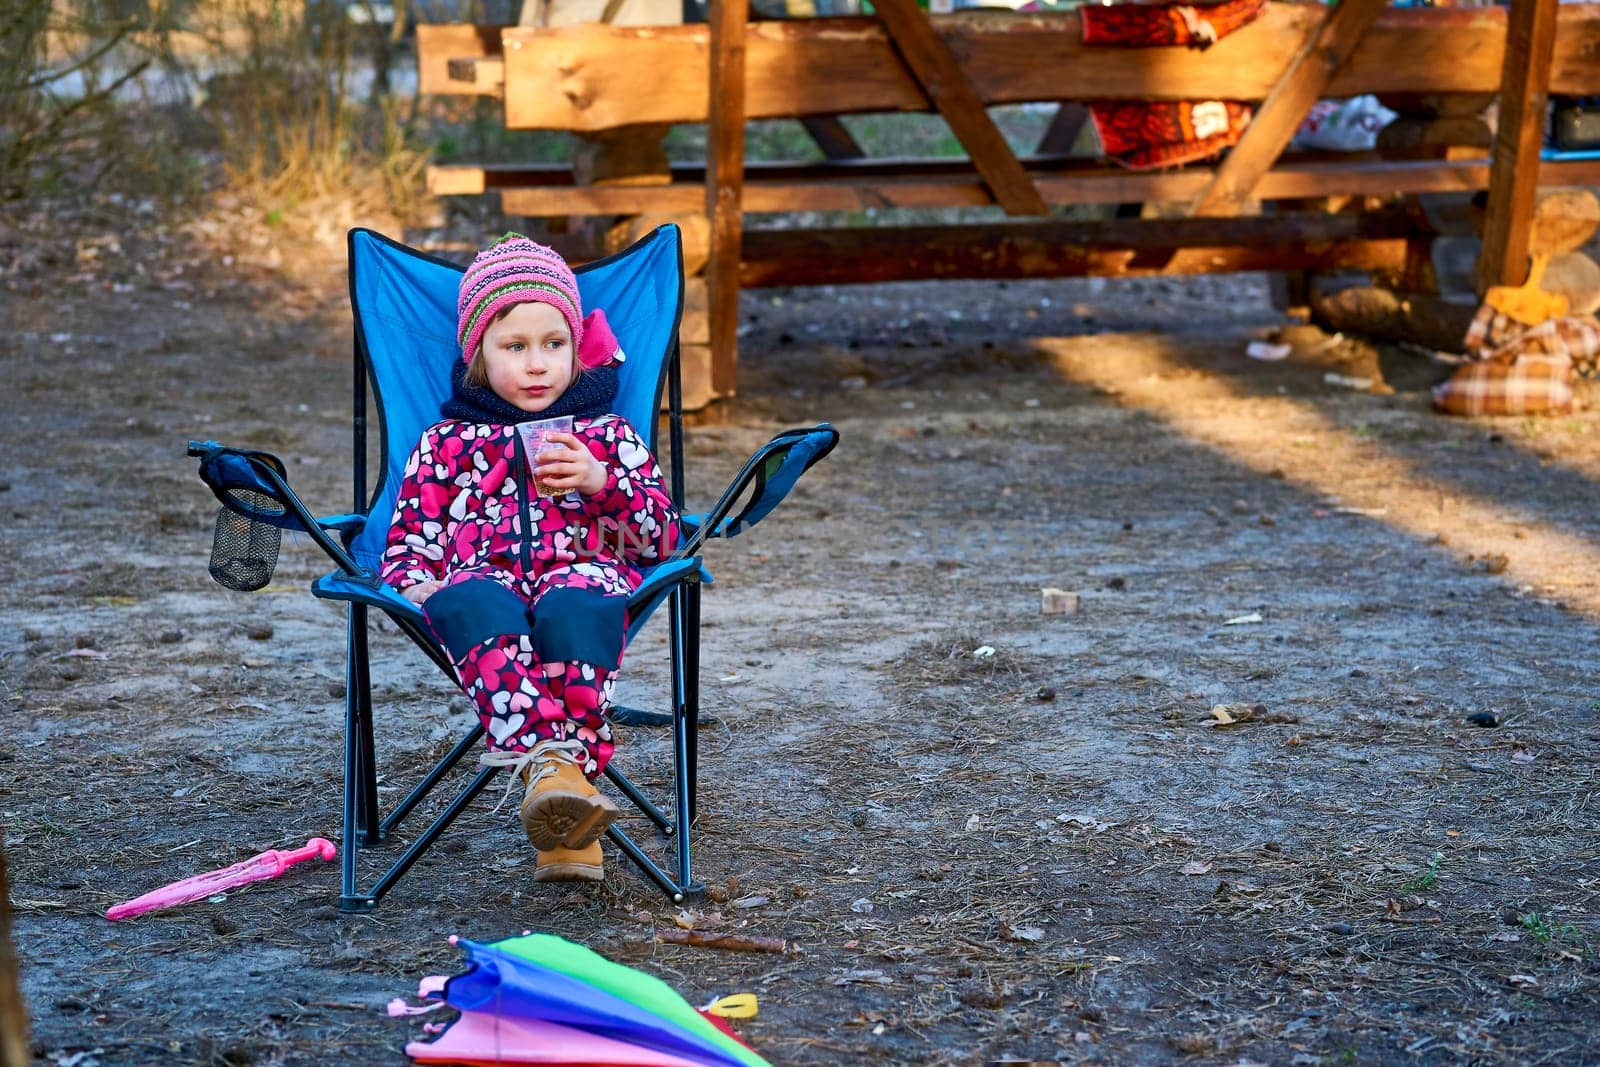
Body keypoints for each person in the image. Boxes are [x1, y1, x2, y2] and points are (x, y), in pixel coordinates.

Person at [379, 233, 678, 883]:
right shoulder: (445, 444)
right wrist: (418, 585)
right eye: (514, 346)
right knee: (469, 598)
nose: (538, 363)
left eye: (554, 343)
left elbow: (659, 539)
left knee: (577, 606)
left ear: (578, 348)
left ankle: (552, 780)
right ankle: (564, 786)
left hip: (585, 572)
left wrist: (603, 482)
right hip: (482, 578)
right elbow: (407, 540)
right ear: (478, 356)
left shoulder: (607, 436)